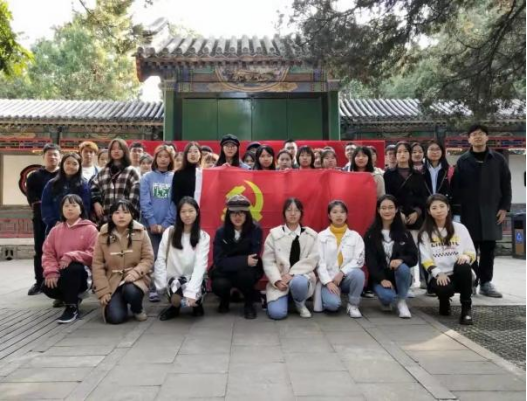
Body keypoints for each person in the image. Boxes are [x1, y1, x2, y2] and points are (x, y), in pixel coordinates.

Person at [452, 124, 512, 298]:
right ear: (469, 139)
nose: (477, 137)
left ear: (487, 137)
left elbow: (506, 185)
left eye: (481, 134)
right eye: (474, 134)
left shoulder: (498, 160)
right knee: (469, 248)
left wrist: (504, 207)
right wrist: (456, 212)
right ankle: (472, 281)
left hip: (492, 211)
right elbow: (456, 188)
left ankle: (486, 282)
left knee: (488, 249)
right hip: (469, 211)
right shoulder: (463, 161)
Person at [92, 200, 154, 325]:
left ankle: (137, 308)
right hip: (112, 281)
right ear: (111, 215)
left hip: (136, 280)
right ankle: (119, 302)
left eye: (125, 212)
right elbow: (97, 264)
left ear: (132, 214)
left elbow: (148, 258)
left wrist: (135, 273)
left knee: (131, 291)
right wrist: (103, 291)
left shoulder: (141, 232)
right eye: (117, 213)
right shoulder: (102, 234)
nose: (121, 216)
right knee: (115, 318)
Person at [419, 195, 477, 325]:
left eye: (442, 206)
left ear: (448, 208)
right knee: (444, 288)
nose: (439, 210)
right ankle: (443, 300)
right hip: (440, 275)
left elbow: (471, 251)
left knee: (464, 266)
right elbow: (426, 260)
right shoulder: (425, 233)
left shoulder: (460, 228)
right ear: (429, 211)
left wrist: (466, 256)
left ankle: (466, 308)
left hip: (460, 273)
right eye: (434, 208)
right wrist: (438, 273)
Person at [42, 195, 99, 324]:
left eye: (74, 205)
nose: (70, 209)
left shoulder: (90, 229)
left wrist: (72, 255)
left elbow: (94, 253)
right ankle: (72, 298)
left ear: (81, 209)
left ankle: (71, 307)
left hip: (82, 274)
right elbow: (48, 254)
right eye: (66, 206)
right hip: (61, 271)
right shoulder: (55, 230)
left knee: (73, 268)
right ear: (61, 209)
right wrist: (51, 272)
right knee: (46, 286)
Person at [155, 197, 210, 320]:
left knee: (193, 290)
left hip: (193, 278)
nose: (187, 215)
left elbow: (200, 265)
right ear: (178, 214)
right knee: (176, 288)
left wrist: (192, 291)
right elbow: (161, 258)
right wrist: (161, 283)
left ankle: (197, 304)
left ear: (197, 212)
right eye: (183, 211)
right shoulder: (169, 232)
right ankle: (175, 307)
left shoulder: (203, 236)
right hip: (174, 279)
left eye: (191, 211)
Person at [263, 199, 319, 320]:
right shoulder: (274, 235)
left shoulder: (311, 235)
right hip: (281, 280)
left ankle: (300, 304)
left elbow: (312, 259)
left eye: (296, 210)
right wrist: (277, 281)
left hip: (301, 278)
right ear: (284, 213)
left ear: (301, 213)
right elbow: (268, 261)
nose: (293, 214)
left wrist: (292, 274)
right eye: (289, 210)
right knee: (277, 314)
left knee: (299, 282)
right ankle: (286, 300)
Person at [211, 195, 263, 320]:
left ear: (247, 214)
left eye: (241, 213)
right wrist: (244, 260)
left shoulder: (255, 230)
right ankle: (225, 299)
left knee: (246, 275)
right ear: (228, 214)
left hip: (245, 272)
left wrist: (231, 262)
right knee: (218, 284)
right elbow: (219, 261)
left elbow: (253, 259)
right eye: (234, 213)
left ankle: (249, 303)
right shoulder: (221, 232)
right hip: (226, 272)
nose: (237, 217)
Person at [365, 195, 417, 319]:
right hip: (380, 278)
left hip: (400, 276)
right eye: (383, 208)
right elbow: (370, 261)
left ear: (396, 209)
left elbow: (414, 257)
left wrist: (401, 260)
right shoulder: (371, 234)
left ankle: (402, 302)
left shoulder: (404, 233)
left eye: (390, 207)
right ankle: (388, 297)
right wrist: (381, 279)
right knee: (387, 298)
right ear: (378, 210)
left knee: (403, 267)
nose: (387, 211)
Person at [315, 201, 366, 318]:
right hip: (329, 279)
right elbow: (319, 262)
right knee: (332, 305)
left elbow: (359, 260)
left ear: (346, 215)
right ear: (329, 215)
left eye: (342, 212)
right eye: (335, 212)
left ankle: (353, 304)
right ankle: (330, 295)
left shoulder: (355, 236)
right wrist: (328, 282)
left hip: (347, 278)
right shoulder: (321, 236)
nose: (339, 215)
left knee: (359, 274)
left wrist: (342, 272)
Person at [140, 145, 176, 302]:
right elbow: (144, 201)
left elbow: (175, 202)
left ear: (171, 159)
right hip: (150, 225)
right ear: (155, 158)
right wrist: (152, 222)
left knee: (169, 256)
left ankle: (169, 287)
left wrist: (166, 223)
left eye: (166, 156)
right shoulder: (147, 177)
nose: (163, 159)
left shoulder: (175, 177)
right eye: (160, 156)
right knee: (152, 256)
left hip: (169, 225)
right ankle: (153, 287)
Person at [26, 144, 62, 296]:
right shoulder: (35, 176)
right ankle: (39, 281)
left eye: (55, 154)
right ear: (43, 157)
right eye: (49, 154)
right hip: (41, 218)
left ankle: (60, 281)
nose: (52, 157)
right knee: (40, 248)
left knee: (61, 249)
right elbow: (32, 197)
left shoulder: (64, 174)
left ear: (60, 157)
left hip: (61, 219)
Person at [91, 139, 141, 225]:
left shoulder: (132, 172)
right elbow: (94, 188)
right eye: (113, 149)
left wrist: (129, 213)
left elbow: (135, 197)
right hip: (105, 217)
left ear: (125, 151)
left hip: (125, 219)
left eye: (119, 148)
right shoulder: (103, 171)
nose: (116, 151)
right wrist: (96, 202)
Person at [41, 153, 91, 235]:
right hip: (55, 227)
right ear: (62, 164)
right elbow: (45, 205)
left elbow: (85, 206)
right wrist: (53, 222)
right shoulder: (52, 184)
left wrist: (76, 223)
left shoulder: (83, 184)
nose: (71, 166)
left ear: (79, 166)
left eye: (75, 164)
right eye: (68, 163)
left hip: (77, 227)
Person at [384, 142, 427, 232]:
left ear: (410, 154)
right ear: (396, 155)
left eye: (405, 151)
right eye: (399, 152)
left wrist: (417, 212)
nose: (402, 154)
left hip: (414, 217)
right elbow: (387, 196)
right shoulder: (388, 174)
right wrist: (397, 212)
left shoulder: (417, 175)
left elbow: (423, 197)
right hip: (395, 215)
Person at [171, 142, 202, 209]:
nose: (193, 154)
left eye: (195, 151)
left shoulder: (203, 173)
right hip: (184, 210)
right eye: (189, 152)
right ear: (185, 155)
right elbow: (175, 196)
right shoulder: (179, 173)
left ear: (200, 154)